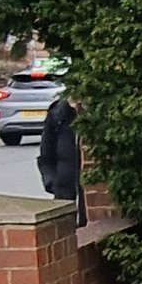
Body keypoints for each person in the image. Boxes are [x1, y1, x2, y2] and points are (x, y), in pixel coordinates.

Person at [37, 89, 86, 224]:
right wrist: (52, 182)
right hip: (64, 192)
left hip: (90, 200)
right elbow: (46, 154)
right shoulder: (58, 114)